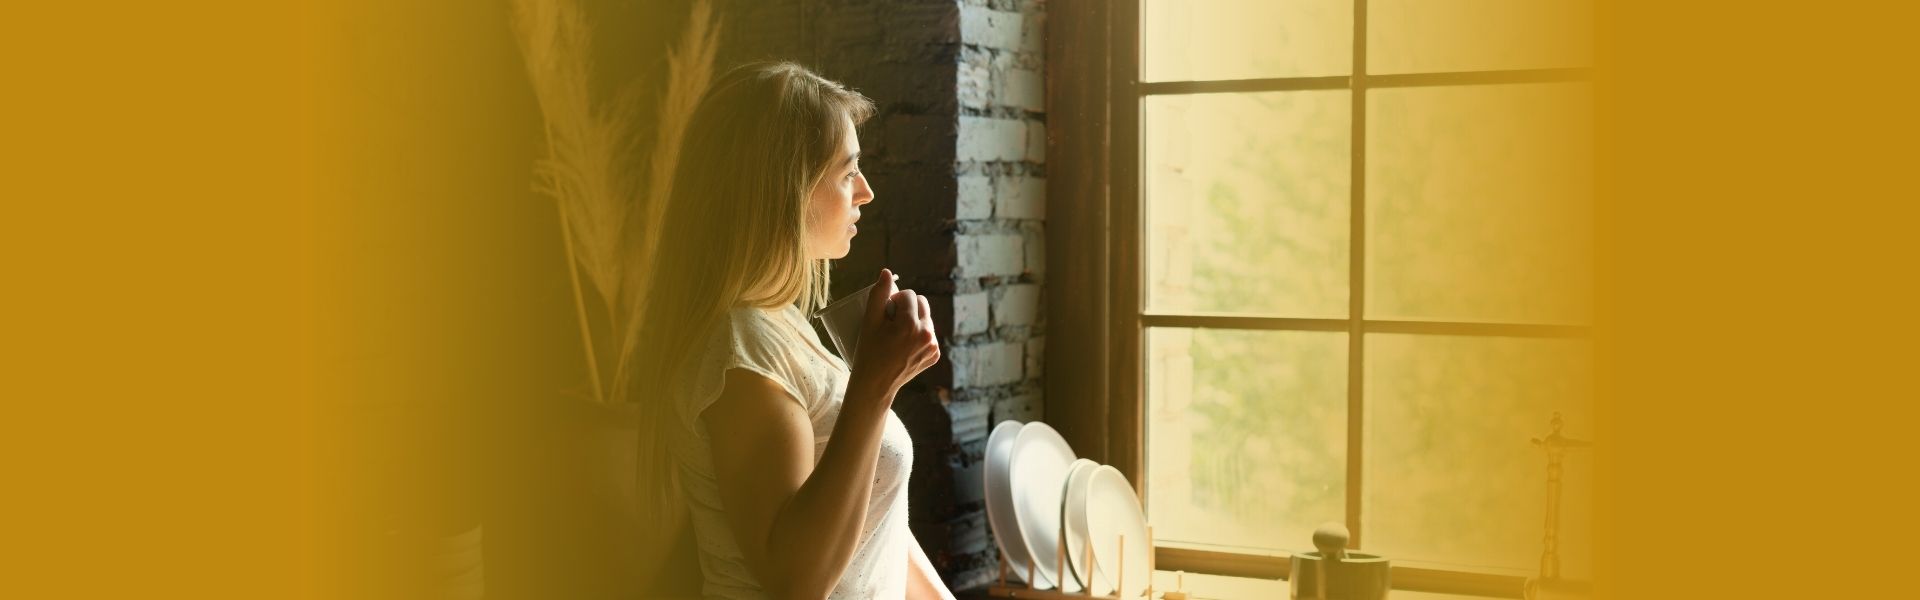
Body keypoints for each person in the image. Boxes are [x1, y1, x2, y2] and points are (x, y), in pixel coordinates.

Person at [617, 60, 954, 600]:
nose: (865, 192)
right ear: (784, 189)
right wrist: (875, 385)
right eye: (846, 173)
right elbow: (796, 581)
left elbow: (876, 528)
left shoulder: (782, 324)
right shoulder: (739, 351)